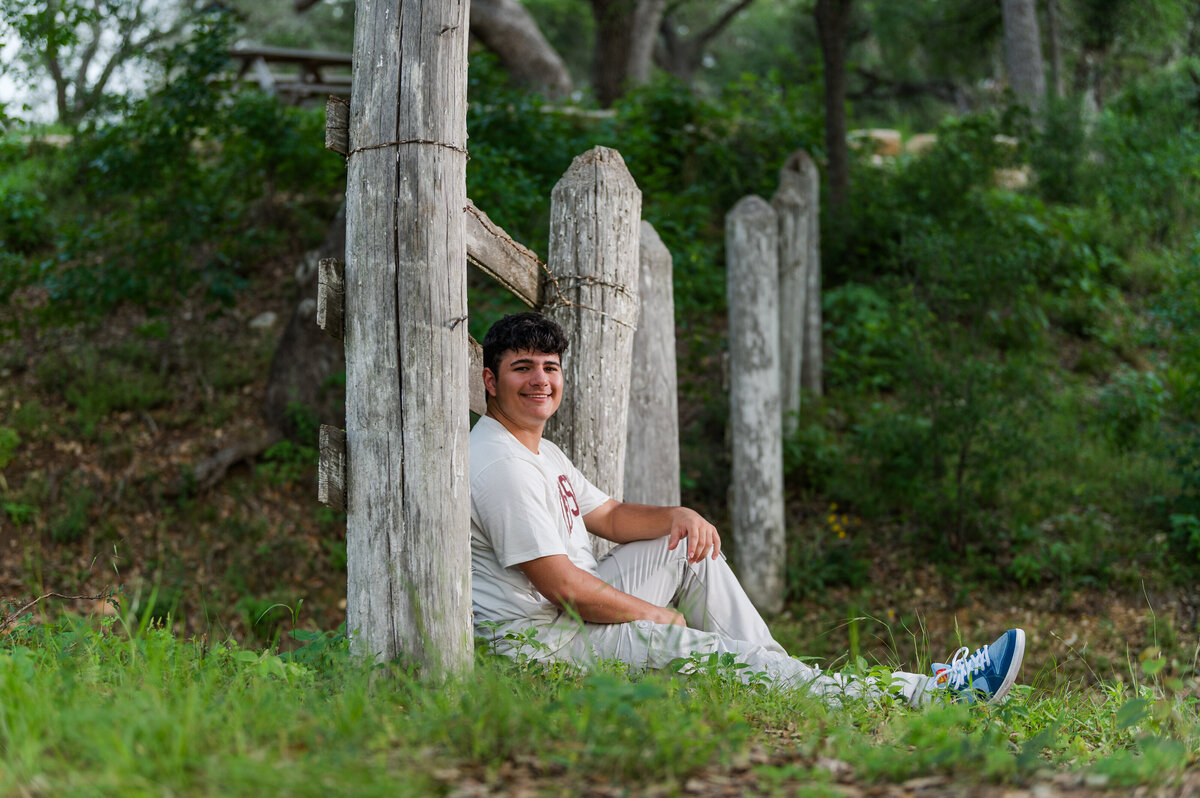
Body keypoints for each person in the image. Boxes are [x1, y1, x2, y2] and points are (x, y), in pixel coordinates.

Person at [470, 312, 1024, 706]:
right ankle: (932, 694)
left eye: (550, 366)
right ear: (491, 381)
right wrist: (653, 614)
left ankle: (786, 681)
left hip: (566, 622)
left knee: (690, 550)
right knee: (688, 644)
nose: (540, 380)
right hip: (543, 646)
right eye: (523, 368)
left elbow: (610, 516)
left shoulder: (538, 449)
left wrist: (678, 516)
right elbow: (562, 587)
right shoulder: (501, 465)